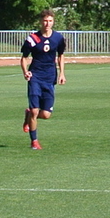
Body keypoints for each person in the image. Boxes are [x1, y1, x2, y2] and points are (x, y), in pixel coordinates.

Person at [21, 10, 67, 149]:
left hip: (50, 77)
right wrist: (25, 72)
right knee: (35, 110)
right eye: (45, 21)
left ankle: (28, 115)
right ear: (41, 22)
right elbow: (24, 58)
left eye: (50, 21)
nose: (47, 24)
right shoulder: (33, 39)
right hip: (35, 77)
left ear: (53, 22)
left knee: (46, 114)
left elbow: (61, 56)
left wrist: (62, 73)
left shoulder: (58, 38)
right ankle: (34, 141)